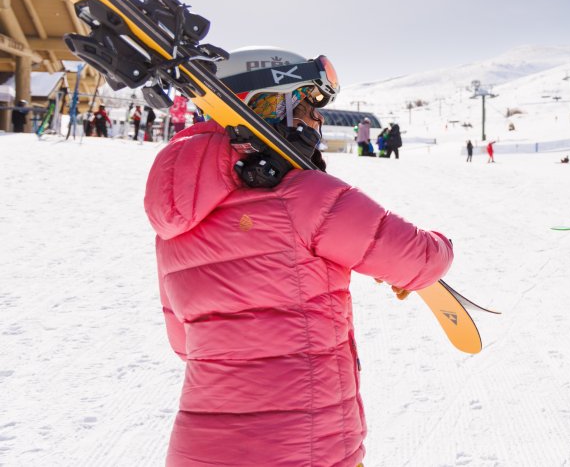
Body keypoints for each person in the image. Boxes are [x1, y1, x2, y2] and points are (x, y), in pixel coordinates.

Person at [144, 47, 453, 467]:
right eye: (308, 106)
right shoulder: (306, 195)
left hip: (199, 451)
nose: (317, 121)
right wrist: (440, 243)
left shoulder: (177, 215)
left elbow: (183, 344)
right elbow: (422, 258)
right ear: (271, 105)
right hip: (299, 447)